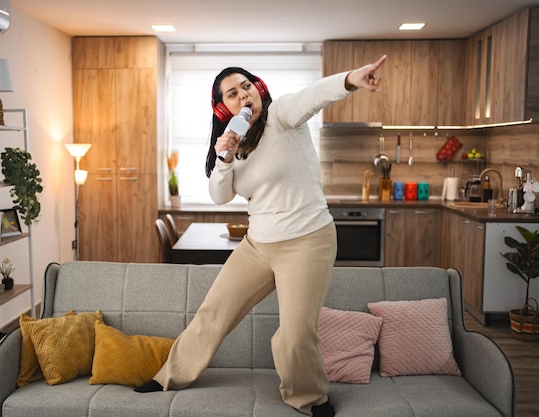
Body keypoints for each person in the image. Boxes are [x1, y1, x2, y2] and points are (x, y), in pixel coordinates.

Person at [136, 55, 387, 417]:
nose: (243, 96)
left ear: (259, 90)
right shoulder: (235, 148)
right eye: (232, 94)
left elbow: (314, 95)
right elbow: (220, 195)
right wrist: (224, 157)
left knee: (296, 333)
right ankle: (168, 377)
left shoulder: (282, 116)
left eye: (247, 87)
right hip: (258, 245)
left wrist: (350, 79)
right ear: (223, 108)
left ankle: (309, 398)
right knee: (213, 313)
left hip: (307, 240)